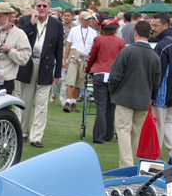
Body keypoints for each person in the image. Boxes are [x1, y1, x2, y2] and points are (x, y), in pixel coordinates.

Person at [108, 20, 161, 169]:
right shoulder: (154, 56)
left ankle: (127, 165)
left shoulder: (127, 51)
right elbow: (157, 81)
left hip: (125, 97)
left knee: (124, 131)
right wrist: (152, 96)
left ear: (135, 33)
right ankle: (128, 164)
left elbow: (115, 76)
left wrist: (114, 92)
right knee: (135, 133)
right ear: (149, 35)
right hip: (144, 99)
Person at [16, 0, 64, 148]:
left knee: (42, 104)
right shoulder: (25, 20)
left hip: (46, 66)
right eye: (39, 6)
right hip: (28, 65)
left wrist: (57, 73)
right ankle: (23, 132)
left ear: (49, 8)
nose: (41, 9)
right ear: (34, 7)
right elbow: (19, 39)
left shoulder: (56, 24)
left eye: (44, 6)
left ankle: (36, 137)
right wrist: (31, 24)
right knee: (26, 101)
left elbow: (59, 50)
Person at [149, 12, 172, 166]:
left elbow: (158, 72)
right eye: (152, 25)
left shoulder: (162, 45)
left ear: (165, 25)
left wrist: (152, 93)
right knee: (170, 122)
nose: (153, 29)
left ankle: (157, 157)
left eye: (156, 25)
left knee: (159, 124)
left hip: (164, 92)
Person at [85, 16, 124, 145]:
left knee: (101, 106)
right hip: (114, 75)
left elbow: (92, 56)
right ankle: (108, 133)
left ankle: (98, 136)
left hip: (99, 73)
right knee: (111, 106)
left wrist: (87, 69)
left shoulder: (99, 39)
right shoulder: (120, 42)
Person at [62, 11, 96, 112]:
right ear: (81, 19)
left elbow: (93, 47)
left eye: (89, 19)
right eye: (86, 19)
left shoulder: (93, 32)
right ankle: (67, 101)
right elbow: (68, 45)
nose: (89, 21)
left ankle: (73, 102)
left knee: (79, 82)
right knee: (70, 80)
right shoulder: (74, 30)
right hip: (74, 56)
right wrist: (65, 59)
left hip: (85, 58)